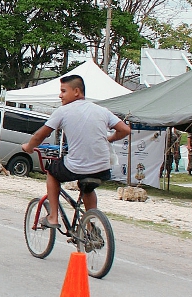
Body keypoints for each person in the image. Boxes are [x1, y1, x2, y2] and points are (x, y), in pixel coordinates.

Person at [22, 75, 131, 228]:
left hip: (77, 167)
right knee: (87, 188)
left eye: (63, 91)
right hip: (103, 168)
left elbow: (41, 134)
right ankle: (90, 225)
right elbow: (125, 130)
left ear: (77, 92)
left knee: (52, 172)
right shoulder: (102, 110)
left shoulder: (63, 111)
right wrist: (110, 139)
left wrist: (28, 147)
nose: (60, 95)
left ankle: (53, 216)